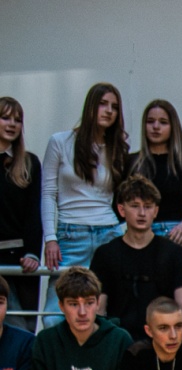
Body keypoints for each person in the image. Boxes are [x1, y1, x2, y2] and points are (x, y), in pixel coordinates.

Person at [90, 174, 182, 338]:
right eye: (135, 206)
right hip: (119, 343)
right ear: (121, 210)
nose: (142, 213)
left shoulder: (176, 255)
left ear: (156, 211)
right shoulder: (105, 254)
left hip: (163, 342)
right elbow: (99, 310)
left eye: (147, 206)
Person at [39, 84, 126, 275]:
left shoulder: (116, 148)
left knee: (111, 292)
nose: (109, 111)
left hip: (109, 231)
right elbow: (48, 193)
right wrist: (50, 238)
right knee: (59, 292)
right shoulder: (60, 141)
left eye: (114, 107)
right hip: (70, 232)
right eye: (103, 103)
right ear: (90, 106)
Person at [128, 98, 182, 247]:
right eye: (150, 121)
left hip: (176, 234)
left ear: (173, 127)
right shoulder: (132, 163)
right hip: (141, 234)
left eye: (163, 122)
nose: (156, 127)